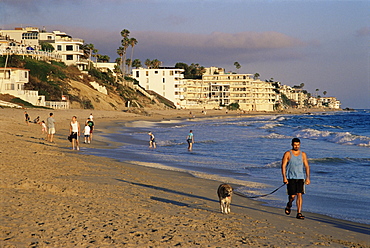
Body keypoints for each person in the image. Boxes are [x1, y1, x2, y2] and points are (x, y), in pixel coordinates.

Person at [281, 138, 310, 220]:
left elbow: (307, 166)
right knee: (292, 196)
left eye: (298, 145)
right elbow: (283, 166)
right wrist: (284, 177)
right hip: (291, 177)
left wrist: (307, 178)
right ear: (292, 144)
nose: (296, 146)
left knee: (299, 195)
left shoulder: (303, 154)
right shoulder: (288, 153)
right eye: (295, 145)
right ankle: (289, 204)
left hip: (300, 177)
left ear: (300, 145)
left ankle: (299, 212)